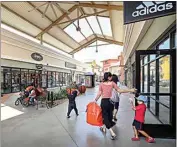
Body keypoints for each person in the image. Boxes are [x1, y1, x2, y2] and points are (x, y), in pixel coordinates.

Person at [95, 72, 136, 140]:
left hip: (104, 102)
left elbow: (99, 93)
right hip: (111, 102)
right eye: (110, 76)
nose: (111, 78)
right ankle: (104, 127)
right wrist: (130, 90)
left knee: (105, 117)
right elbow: (120, 90)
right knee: (109, 116)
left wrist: (95, 100)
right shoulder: (112, 83)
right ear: (108, 77)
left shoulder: (101, 84)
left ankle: (112, 132)